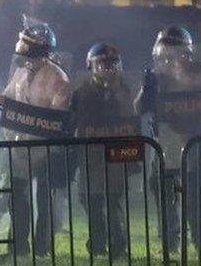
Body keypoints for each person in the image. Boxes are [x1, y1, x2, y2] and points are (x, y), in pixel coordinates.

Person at [0, 19, 71, 258]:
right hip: (20, 146)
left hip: (46, 148)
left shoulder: (58, 78)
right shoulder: (21, 73)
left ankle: (42, 249)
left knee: (44, 201)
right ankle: (17, 248)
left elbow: (57, 117)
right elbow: (10, 100)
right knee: (17, 199)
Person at [135, 25, 201, 256]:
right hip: (164, 142)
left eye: (176, 52)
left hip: (197, 139)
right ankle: (169, 242)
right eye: (166, 53)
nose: (171, 59)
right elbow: (139, 109)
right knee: (162, 191)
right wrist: (146, 89)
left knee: (199, 192)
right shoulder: (156, 77)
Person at [71, 43, 138, 258]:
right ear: (91, 66)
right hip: (90, 155)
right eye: (102, 64)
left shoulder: (125, 90)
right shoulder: (81, 93)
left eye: (111, 64)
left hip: (116, 155)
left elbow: (133, 119)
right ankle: (98, 242)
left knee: (113, 200)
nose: (107, 69)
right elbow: (72, 121)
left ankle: (118, 246)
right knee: (89, 199)